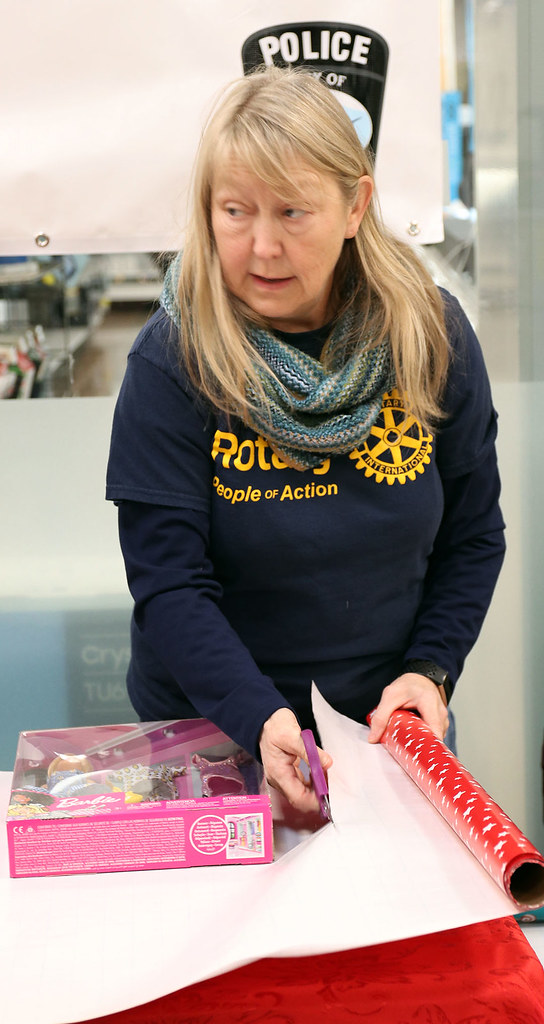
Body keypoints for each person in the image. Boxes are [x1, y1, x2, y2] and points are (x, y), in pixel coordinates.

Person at [106, 66, 505, 814]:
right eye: (234, 211)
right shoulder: (173, 359)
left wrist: (430, 670)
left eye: (293, 212)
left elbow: (474, 533)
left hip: (389, 731)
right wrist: (260, 719)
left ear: (355, 205)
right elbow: (170, 583)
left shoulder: (430, 336)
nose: (261, 247)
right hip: (215, 733)